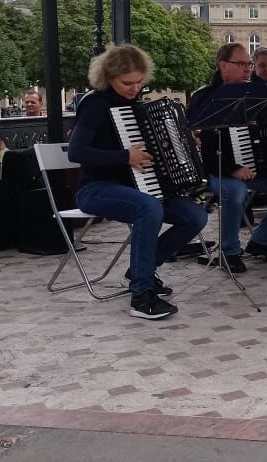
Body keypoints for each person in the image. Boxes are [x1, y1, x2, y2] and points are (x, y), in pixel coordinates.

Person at [67, 44, 207, 320]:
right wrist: (124, 157)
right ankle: (142, 295)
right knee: (149, 208)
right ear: (109, 77)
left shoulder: (137, 106)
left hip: (138, 187)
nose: (134, 88)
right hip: (95, 188)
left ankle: (140, 270)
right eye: (127, 83)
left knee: (195, 216)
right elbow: (76, 152)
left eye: (139, 82)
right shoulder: (95, 104)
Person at [194, 42, 267, 274]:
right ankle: (229, 252)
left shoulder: (260, 94)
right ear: (223, 66)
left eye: (248, 64)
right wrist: (233, 168)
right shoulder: (205, 97)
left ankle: (262, 241)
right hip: (218, 171)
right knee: (235, 191)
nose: (247, 69)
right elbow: (204, 150)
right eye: (241, 64)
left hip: (256, 169)